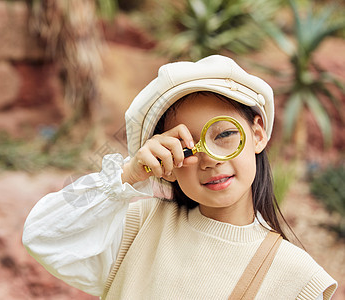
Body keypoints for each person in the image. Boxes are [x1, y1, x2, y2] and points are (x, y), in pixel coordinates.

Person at [22, 55, 337, 299]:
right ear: (165, 163)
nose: (210, 160)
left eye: (225, 134)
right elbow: (42, 236)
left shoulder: (298, 279)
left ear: (256, 134)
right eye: (186, 148)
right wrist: (128, 175)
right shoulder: (137, 225)